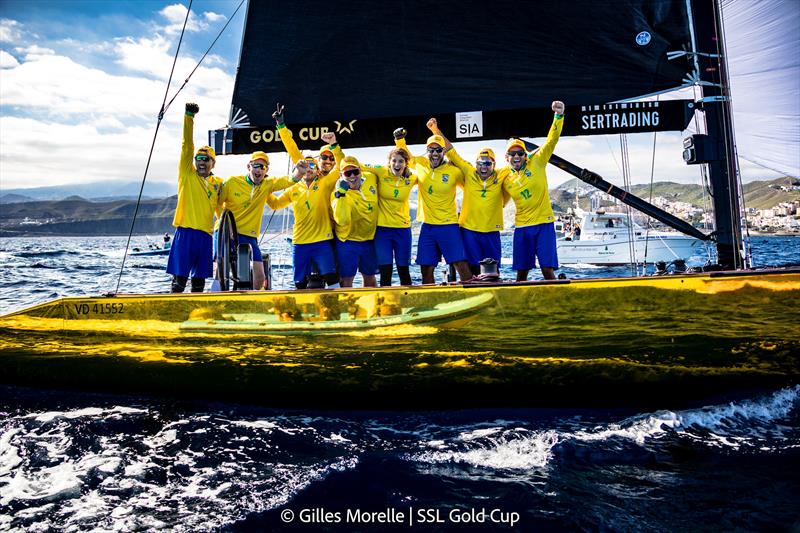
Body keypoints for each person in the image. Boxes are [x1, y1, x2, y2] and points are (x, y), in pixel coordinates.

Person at [426, 119, 507, 276]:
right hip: (469, 230)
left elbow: (523, 162)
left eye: (487, 163)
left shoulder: (502, 175)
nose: (483, 166)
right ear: (475, 163)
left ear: (494, 164)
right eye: (480, 163)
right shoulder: (469, 172)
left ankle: (493, 297)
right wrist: (435, 130)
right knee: (474, 269)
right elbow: (451, 152)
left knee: (493, 272)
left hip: (492, 231)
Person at [394, 127, 472, 284]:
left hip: (448, 225)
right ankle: (431, 303)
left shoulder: (454, 171)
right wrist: (399, 139)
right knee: (426, 268)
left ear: (443, 151)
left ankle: (472, 297)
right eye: (431, 150)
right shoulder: (421, 163)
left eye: (438, 150)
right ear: (427, 151)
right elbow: (405, 155)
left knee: (460, 264)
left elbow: (471, 187)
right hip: (428, 226)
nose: (435, 153)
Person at [501, 100, 565, 281]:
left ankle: (554, 302)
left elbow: (552, 140)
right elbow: (496, 199)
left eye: (520, 153)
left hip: (544, 225)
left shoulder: (537, 161)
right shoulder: (504, 176)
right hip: (522, 228)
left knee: (547, 269)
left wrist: (558, 116)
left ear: (525, 154)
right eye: (512, 154)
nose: (516, 157)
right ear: (507, 157)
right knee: (522, 273)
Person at [217, 151, 300, 290]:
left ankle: (254, 302)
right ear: (248, 166)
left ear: (266, 171)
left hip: (249, 235)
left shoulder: (266, 185)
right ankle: (218, 299)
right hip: (226, 233)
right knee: (221, 270)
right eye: (256, 166)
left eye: (263, 167)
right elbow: (218, 204)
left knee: (260, 276)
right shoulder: (232, 182)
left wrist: (300, 172)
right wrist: (225, 226)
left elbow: (288, 180)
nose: (259, 170)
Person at [266, 140, 342, 290]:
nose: (308, 168)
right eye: (305, 166)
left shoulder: (324, 182)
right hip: (300, 242)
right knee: (299, 282)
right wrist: (264, 189)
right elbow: (275, 204)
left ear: (317, 169)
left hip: (323, 240)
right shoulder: (293, 189)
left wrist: (334, 145)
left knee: (332, 277)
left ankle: (339, 307)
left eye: (312, 165)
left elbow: (340, 166)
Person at [166, 102, 223, 293]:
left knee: (199, 284)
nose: (201, 162)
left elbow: (220, 211)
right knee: (179, 282)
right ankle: (173, 315)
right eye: (198, 159)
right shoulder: (187, 174)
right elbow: (187, 146)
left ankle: (196, 317)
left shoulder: (218, 183)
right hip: (186, 233)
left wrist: (225, 232)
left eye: (206, 159)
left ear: (213, 163)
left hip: (206, 237)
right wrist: (189, 117)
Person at [362, 148, 417, 286]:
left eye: (401, 161)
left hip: (402, 230)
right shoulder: (381, 171)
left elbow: (427, 172)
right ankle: (386, 306)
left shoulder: (412, 177)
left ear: (406, 164)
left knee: (403, 271)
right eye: (394, 161)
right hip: (382, 231)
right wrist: (335, 147)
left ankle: (409, 304)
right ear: (389, 162)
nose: (397, 164)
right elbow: (356, 164)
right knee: (385, 273)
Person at [331, 156, 380, 287]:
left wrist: (405, 172)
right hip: (348, 241)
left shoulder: (371, 178)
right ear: (341, 175)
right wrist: (341, 196)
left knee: (370, 277)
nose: (352, 176)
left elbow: (385, 171)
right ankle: (347, 307)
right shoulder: (337, 193)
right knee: (346, 279)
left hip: (369, 239)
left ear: (361, 171)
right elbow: (342, 220)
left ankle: (372, 305)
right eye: (347, 173)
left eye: (355, 172)